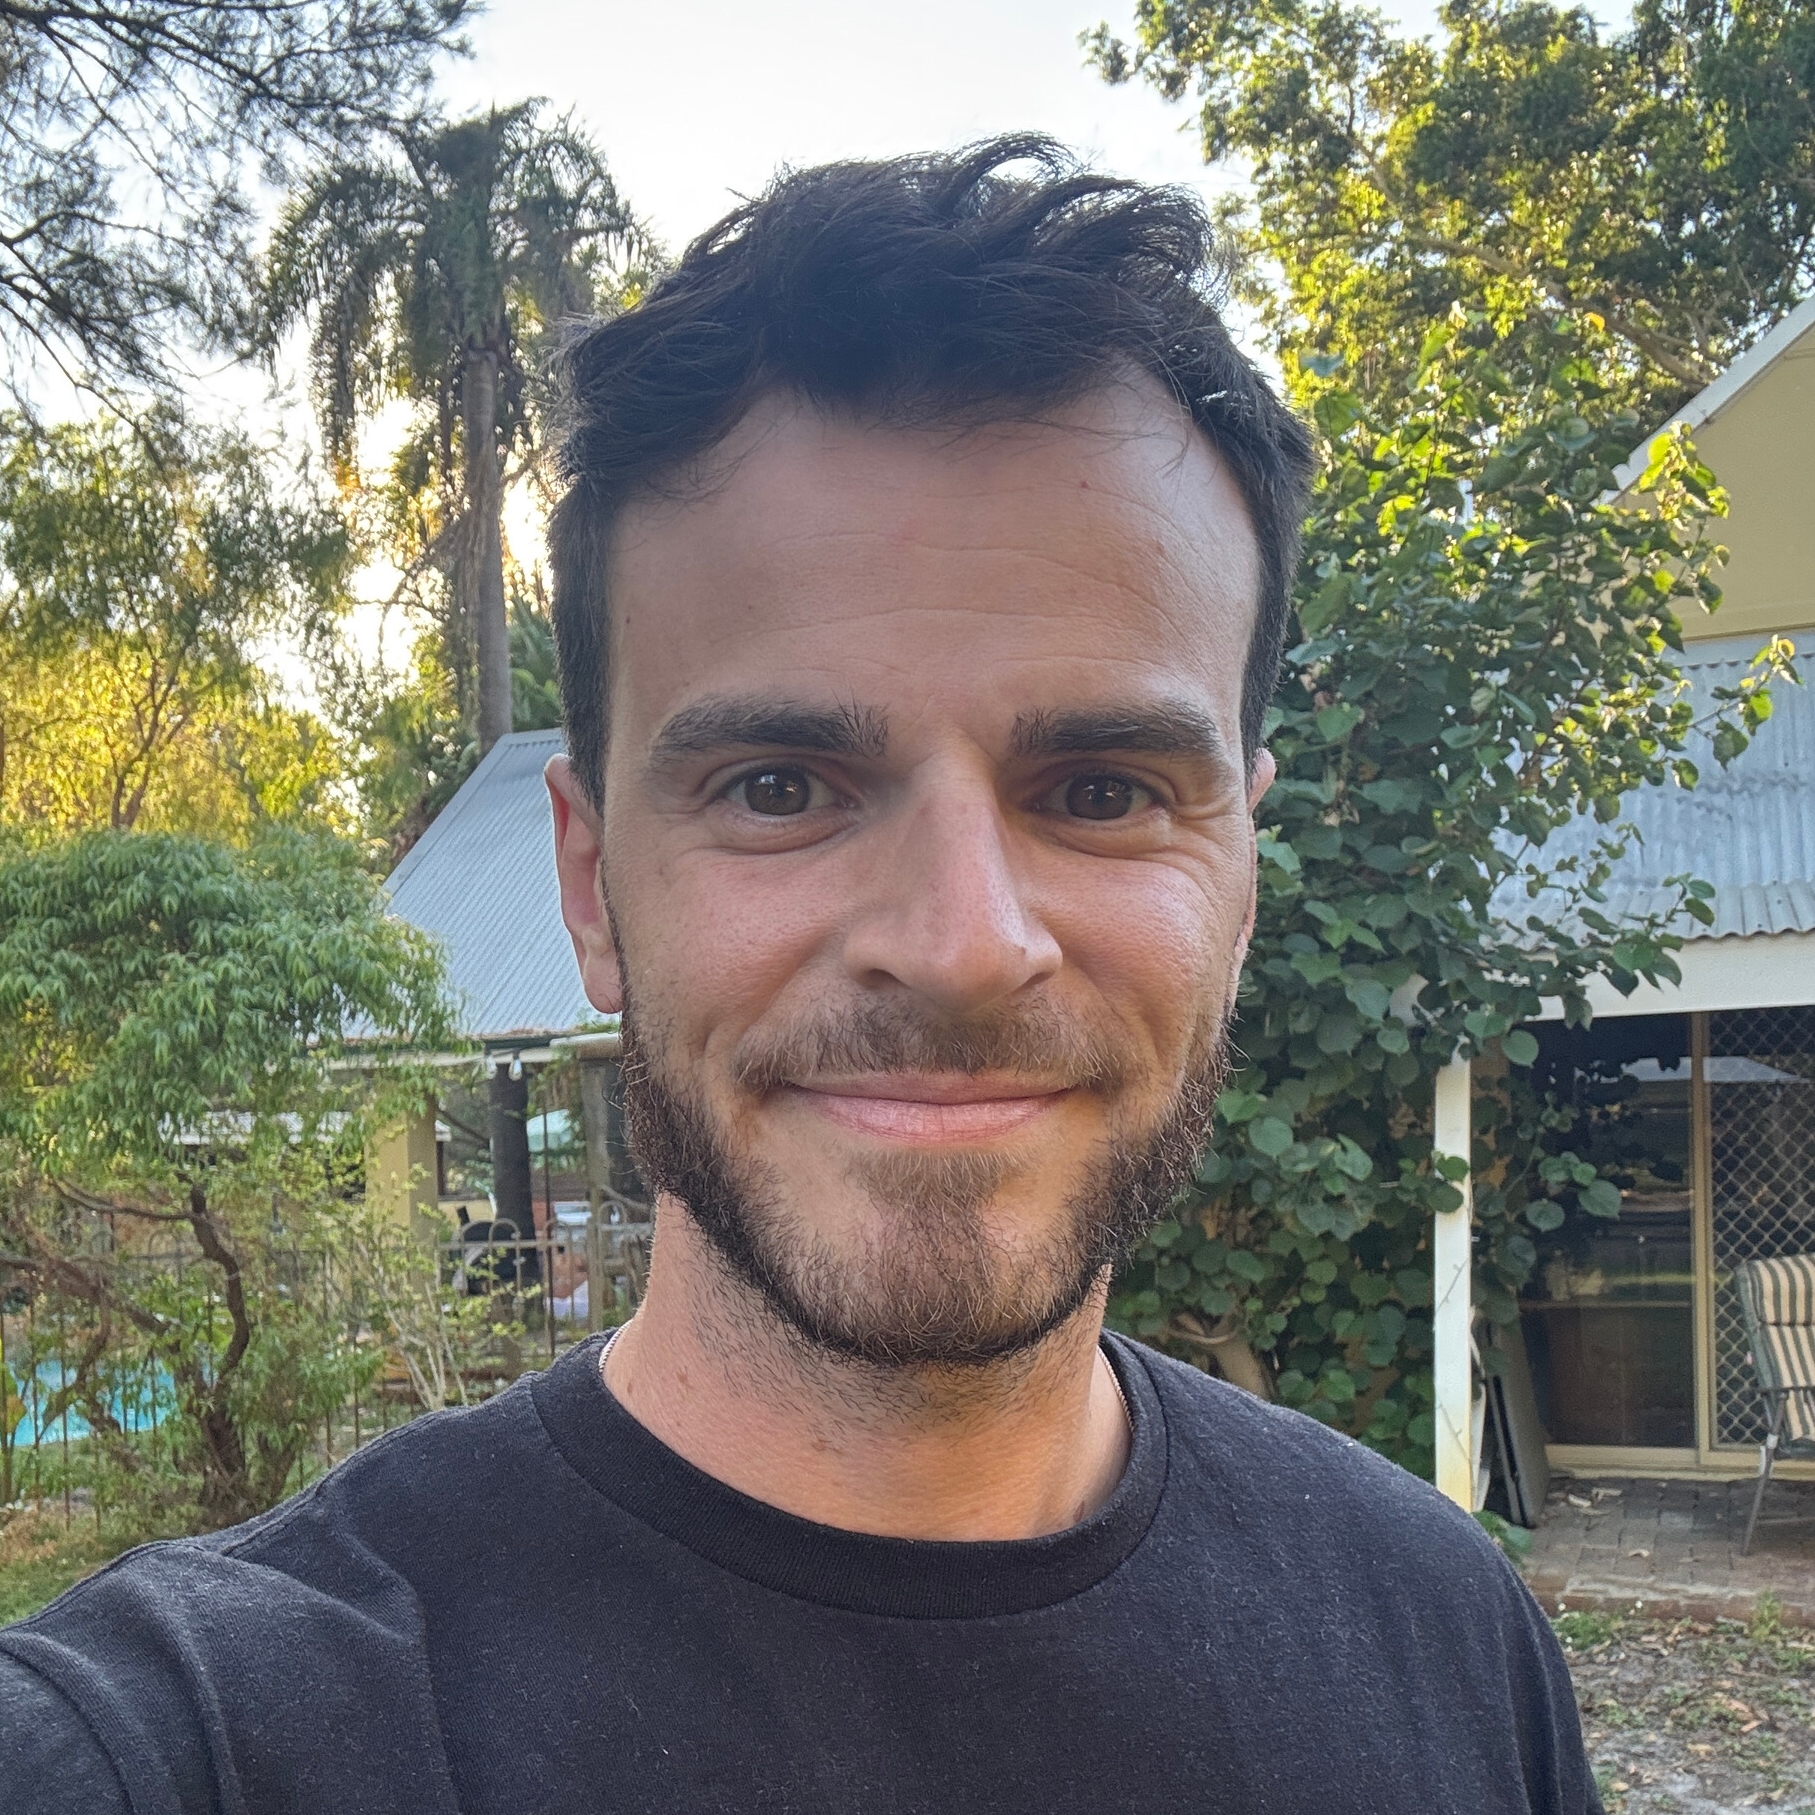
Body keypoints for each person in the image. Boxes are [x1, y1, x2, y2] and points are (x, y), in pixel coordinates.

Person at [0, 136, 1602, 1814]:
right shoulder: (180, 1748)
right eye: (779, 787)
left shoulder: (1447, 1639)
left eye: (1102, 792)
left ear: (1242, 874)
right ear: (591, 880)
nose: (964, 944)